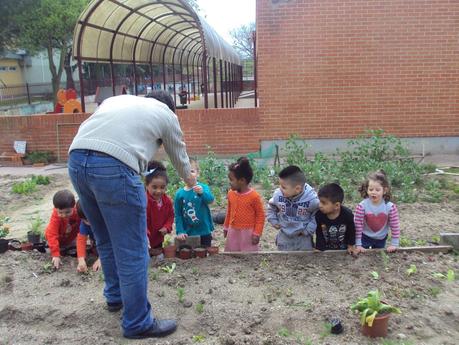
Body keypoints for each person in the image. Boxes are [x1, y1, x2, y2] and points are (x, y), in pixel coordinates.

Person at [68, 91, 195, 339]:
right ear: (170, 108)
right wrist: (191, 182)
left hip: (76, 160)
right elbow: (180, 158)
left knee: (104, 237)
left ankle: (115, 296)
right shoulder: (167, 115)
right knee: (133, 249)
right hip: (114, 168)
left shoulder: (118, 100)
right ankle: (137, 322)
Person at [267, 166, 319, 251]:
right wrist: (273, 220)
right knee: (284, 259)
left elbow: (316, 214)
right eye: (279, 185)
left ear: (297, 189)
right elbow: (271, 206)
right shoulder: (278, 194)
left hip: (303, 236)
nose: (280, 188)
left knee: (304, 259)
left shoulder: (311, 199)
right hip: (284, 234)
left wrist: (308, 229)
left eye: (283, 187)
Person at [224, 157, 265, 252]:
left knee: (248, 256)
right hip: (233, 230)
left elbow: (260, 216)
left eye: (231, 180)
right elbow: (229, 212)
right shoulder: (231, 193)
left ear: (242, 180)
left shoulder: (254, 196)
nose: (229, 183)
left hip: (248, 233)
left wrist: (257, 233)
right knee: (233, 254)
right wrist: (226, 227)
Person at [354, 171, 401, 253]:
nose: (373, 192)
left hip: (381, 238)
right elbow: (357, 226)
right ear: (367, 190)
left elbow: (395, 226)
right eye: (371, 189)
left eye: (377, 190)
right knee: (363, 255)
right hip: (364, 237)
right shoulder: (362, 206)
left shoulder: (390, 207)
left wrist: (394, 244)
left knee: (378, 255)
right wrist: (358, 244)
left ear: (385, 190)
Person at [174, 159, 214, 247]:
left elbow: (210, 200)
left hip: (204, 230)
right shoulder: (179, 194)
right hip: (188, 232)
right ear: (181, 176)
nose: (189, 175)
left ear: (197, 173)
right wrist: (180, 231)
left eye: (192, 171)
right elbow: (178, 214)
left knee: (205, 252)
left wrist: (202, 193)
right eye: (185, 172)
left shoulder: (203, 188)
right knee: (189, 254)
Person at [315, 183, 356, 253]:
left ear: (336, 205)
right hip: (326, 249)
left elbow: (352, 231)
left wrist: (350, 245)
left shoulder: (347, 215)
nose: (320, 205)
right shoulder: (319, 215)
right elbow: (319, 232)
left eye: (323, 203)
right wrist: (319, 248)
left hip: (344, 249)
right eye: (320, 202)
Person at [45, 190, 80, 270]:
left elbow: (82, 230)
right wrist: (55, 255)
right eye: (60, 212)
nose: (64, 215)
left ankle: (65, 250)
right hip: (56, 239)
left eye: (67, 212)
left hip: (70, 239)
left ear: (73, 206)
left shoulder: (78, 213)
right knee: (51, 253)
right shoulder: (55, 217)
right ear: (55, 208)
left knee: (73, 252)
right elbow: (52, 235)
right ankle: (57, 251)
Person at [144, 161, 174, 255]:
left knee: (157, 258)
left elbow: (170, 217)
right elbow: (140, 221)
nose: (158, 191)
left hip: (158, 239)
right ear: (146, 185)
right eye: (154, 187)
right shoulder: (144, 201)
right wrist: (145, 234)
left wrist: (166, 227)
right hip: (144, 240)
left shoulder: (167, 201)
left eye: (162, 187)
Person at [75, 201, 101, 273]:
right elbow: (81, 241)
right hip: (96, 242)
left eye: (91, 219)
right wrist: (81, 260)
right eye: (86, 220)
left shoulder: (103, 222)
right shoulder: (84, 224)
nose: (89, 223)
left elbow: (109, 242)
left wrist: (101, 259)